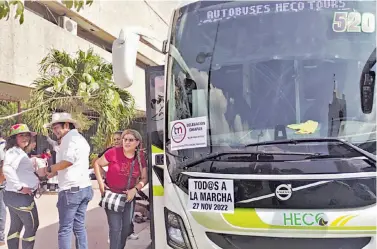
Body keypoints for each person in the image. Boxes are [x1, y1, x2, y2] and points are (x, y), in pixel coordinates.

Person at [42, 112, 93, 249]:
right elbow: (72, 163)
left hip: (71, 191)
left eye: (56, 127)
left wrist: (49, 169)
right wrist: (53, 173)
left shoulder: (69, 139)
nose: (54, 131)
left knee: (65, 229)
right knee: (79, 227)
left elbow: (68, 161)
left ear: (66, 125)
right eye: (52, 128)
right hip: (84, 188)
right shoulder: (79, 138)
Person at [94, 129, 148, 249]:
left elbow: (144, 178)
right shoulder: (113, 152)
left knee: (125, 229)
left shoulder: (140, 157)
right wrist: (101, 184)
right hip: (113, 196)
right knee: (115, 229)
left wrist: (135, 190)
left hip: (129, 198)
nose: (127, 142)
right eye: (125, 139)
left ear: (137, 142)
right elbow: (97, 163)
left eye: (130, 140)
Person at [2, 124, 44, 249]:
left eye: (27, 135)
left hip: (12, 196)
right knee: (32, 226)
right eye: (21, 135)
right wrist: (20, 187)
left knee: (15, 227)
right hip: (21, 197)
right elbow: (7, 168)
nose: (26, 138)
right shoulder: (14, 152)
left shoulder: (17, 152)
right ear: (14, 138)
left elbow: (17, 169)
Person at [0, 131, 6, 246]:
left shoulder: (2, 146)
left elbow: (3, 165)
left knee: (1, 209)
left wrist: (0, 181)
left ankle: (0, 237)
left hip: (1, 183)